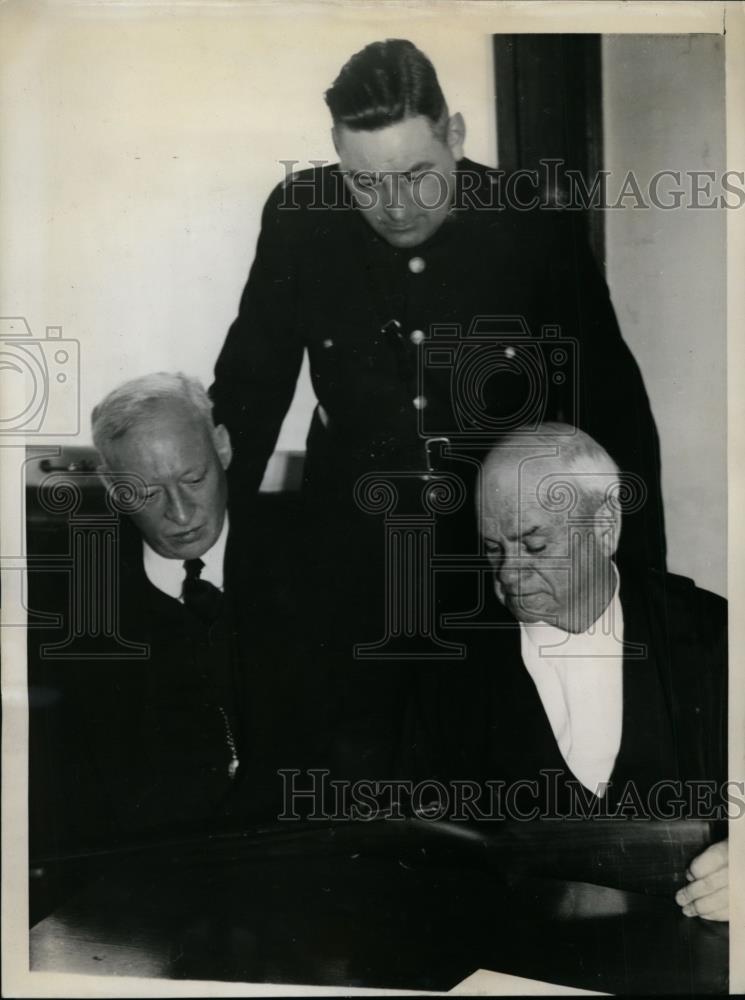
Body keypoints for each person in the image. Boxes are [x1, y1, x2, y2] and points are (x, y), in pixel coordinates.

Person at [210, 37, 666, 778]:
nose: (391, 207)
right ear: (334, 153)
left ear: (454, 134)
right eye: (364, 182)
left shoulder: (530, 226)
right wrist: (205, 558)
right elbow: (248, 392)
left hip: (494, 560)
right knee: (355, 784)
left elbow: (613, 414)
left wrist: (635, 593)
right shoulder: (301, 218)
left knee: (492, 778)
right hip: (352, 561)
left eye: (416, 174)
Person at [407, 422, 728, 921]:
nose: (509, 576)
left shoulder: (717, 637)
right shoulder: (443, 668)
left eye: (534, 545)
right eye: (493, 548)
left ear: (605, 526)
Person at [28, 374, 312, 865]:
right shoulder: (62, 605)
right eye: (149, 494)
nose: (181, 515)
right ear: (115, 489)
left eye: (193, 479)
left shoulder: (316, 565)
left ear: (222, 447)